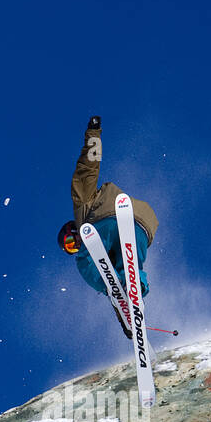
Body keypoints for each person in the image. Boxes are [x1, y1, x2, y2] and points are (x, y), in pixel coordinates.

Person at [57, 117, 159, 330]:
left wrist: (93, 134)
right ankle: (135, 297)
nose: (76, 244)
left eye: (71, 238)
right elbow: (113, 280)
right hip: (142, 226)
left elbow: (88, 168)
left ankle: (126, 296)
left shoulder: (82, 205)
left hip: (107, 218)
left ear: (73, 226)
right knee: (127, 270)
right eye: (71, 247)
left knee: (86, 263)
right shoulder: (105, 254)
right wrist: (127, 321)